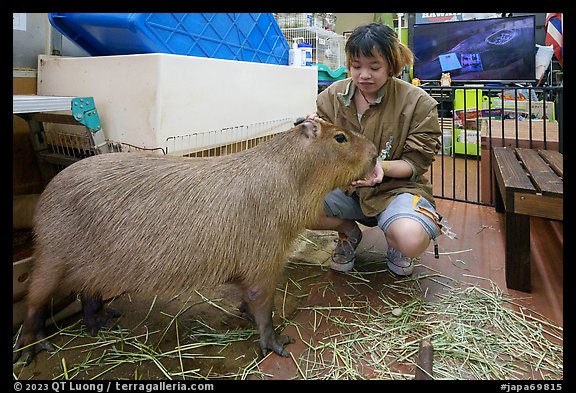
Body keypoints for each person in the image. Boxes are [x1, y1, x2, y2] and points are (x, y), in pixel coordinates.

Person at [307, 22, 443, 276]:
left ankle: (398, 244)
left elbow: (415, 163)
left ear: (391, 65)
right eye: (356, 67)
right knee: (294, 206)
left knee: (410, 238)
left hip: (395, 190)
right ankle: (348, 232)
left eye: (374, 67)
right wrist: (314, 134)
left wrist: (381, 167)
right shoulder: (332, 96)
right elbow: (322, 154)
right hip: (345, 190)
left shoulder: (418, 104)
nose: (363, 75)